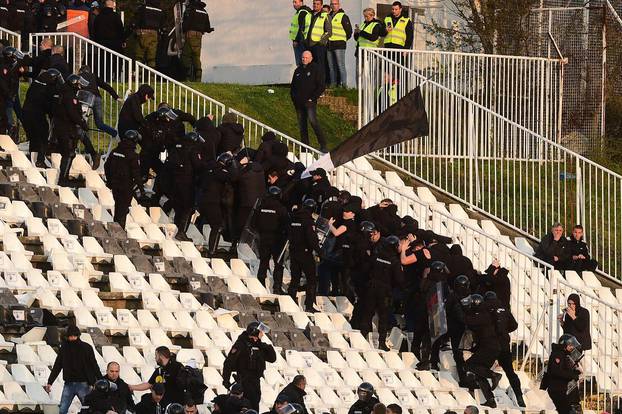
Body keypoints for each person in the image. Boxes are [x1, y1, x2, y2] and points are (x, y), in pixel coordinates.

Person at [46, 325, 100, 414]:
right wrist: (50, 381)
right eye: (71, 336)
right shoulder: (64, 348)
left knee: (89, 409)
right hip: (69, 384)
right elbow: (57, 366)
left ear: (77, 336)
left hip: (83, 384)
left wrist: (99, 380)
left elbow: (94, 365)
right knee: (63, 409)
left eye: (74, 336)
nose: (72, 338)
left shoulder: (86, 348)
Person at [223, 322, 277, 410]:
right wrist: (226, 380)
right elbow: (228, 363)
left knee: (255, 405)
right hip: (243, 381)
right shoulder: (241, 344)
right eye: (260, 332)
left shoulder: (259, 345)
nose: (262, 334)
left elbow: (272, 359)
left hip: (255, 381)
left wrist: (265, 346)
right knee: (245, 406)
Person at [484, 291, 525, 407]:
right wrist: (504, 331)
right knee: (510, 373)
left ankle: (489, 397)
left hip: (491, 344)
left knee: (480, 368)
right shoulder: (504, 309)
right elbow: (514, 325)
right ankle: (519, 397)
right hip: (504, 345)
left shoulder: (486, 308)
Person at [460, 294, 501, 408]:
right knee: (478, 374)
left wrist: (461, 310)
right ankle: (490, 400)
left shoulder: (482, 314)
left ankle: (493, 375)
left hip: (489, 347)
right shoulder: (484, 313)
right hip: (490, 347)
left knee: (468, 365)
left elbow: (467, 321)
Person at [52, 73, 90, 185]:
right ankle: (63, 180)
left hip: (63, 127)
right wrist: (82, 123)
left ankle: (64, 177)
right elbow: (72, 113)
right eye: (79, 84)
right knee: (68, 153)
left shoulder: (65, 93)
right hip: (66, 128)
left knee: (69, 153)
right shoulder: (69, 95)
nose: (80, 86)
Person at [22, 68, 64, 167]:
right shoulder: (50, 88)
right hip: (37, 114)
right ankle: (40, 160)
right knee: (43, 137)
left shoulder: (36, 83)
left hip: (26, 113)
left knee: (33, 137)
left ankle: (32, 159)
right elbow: (49, 105)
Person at [105, 130, 143, 227]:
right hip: (125, 187)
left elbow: (106, 166)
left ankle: (117, 228)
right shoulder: (133, 155)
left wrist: (109, 181)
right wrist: (142, 190)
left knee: (119, 208)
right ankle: (119, 231)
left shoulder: (115, 151)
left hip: (114, 185)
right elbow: (136, 174)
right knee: (121, 212)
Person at [290, 50, 327, 152]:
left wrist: (312, 98)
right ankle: (305, 147)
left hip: (309, 102)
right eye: (303, 57)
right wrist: (294, 98)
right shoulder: (297, 70)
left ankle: (323, 145)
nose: (304, 59)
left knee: (313, 121)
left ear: (311, 58)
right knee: (302, 126)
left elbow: (321, 86)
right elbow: (292, 87)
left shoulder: (316, 69)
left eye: (306, 58)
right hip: (298, 103)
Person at [254, 186, 289, 293]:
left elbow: (253, 222)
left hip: (263, 238)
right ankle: (277, 288)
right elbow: (286, 224)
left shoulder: (260, 207)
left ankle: (260, 285)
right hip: (277, 239)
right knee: (278, 264)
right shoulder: (281, 208)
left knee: (263, 262)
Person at [288, 198, 320, 311]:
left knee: (295, 279)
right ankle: (309, 305)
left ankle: (290, 302)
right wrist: (320, 252)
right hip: (305, 253)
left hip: (293, 252)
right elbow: (312, 239)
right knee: (311, 280)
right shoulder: (308, 221)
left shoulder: (293, 218)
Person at [543, 334, 582, 414]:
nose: (572, 348)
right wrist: (572, 375)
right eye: (570, 345)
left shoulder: (564, 355)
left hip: (563, 389)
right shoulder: (557, 354)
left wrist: (575, 372)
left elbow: (565, 370)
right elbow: (557, 372)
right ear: (563, 344)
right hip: (557, 389)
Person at [78, 65, 121, 138]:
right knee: (99, 124)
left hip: (86, 99)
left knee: (80, 123)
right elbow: (106, 86)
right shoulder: (94, 76)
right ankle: (115, 134)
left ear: (81, 71)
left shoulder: (79, 76)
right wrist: (116, 97)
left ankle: (83, 143)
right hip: (97, 98)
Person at [181, 0, 213, 81]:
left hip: (190, 34)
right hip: (199, 36)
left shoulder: (190, 9)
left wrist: (183, 29)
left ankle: (187, 77)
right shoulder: (204, 11)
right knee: (196, 56)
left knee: (186, 55)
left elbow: (186, 23)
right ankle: (198, 78)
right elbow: (207, 27)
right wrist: (209, 30)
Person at [132, 0, 164, 68]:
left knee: (139, 56)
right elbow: (162, 24)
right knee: (151, 58)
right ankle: (151, 77)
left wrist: (135, 32)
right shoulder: (160, 10)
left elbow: (136, 21)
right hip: (154, 34)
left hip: (143, 33)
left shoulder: (143, 8)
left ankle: (138, 75)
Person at [327, 0, 352, 87]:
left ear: (339, 5)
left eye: (335, 4)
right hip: (329, 44)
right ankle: (333, 84)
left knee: (340, 65)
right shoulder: (328, 16)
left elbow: (349, 31)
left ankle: (344, 85)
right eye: (332, 4)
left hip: (339, 44)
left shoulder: (343, 16)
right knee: (331, 66)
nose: (334, 6)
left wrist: (342, 40)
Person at [305, 0, 331, 78]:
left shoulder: (325, 16)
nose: (315, 5)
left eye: (317, 4)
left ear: (321, 5)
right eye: (314, 4)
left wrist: (320, 42)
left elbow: (329, 32)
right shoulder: (308, 15)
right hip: (308, 45)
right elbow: (304, 29)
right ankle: (311, 84)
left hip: (318, 45)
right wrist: (304, 40)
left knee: (320, 66)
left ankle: (321, 84)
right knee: (309, 66)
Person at [289, 0, 312, 66]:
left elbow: (301, 28)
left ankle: (302, 76)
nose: (294, 4)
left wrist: (296, 40)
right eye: (293, 2)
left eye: (296, 2)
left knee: (301, 62)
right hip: (300, 41)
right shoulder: (300, 12)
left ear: (301, 2)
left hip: (300, 42)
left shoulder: (302, 12)